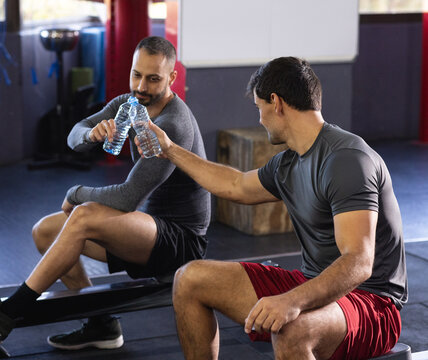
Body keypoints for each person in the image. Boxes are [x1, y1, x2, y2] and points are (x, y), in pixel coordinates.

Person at [0, 36, 210, 350]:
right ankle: (102, 325)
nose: (141, 86)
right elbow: (74, 135)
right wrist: (91, 132)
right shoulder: (130, 105)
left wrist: (75, 193)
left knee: (83, 214)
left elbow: (128, 198)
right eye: (136, 75)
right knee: (45, 231)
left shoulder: (173, 124)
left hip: (180, 243)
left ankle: (5, 314)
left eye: (153, 79)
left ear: (171, 78)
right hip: (148, 233)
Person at [138, 57, 408, 359]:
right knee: (190, 278)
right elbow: (235, 185)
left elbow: (359, 261)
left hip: (370, 304)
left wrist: (292, 301)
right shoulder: (290, 162)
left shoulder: (346, 160)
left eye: (259, 108)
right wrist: (171, 150)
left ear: (276, 103)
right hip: (312, 285)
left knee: (292, 329)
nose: (260, 119)